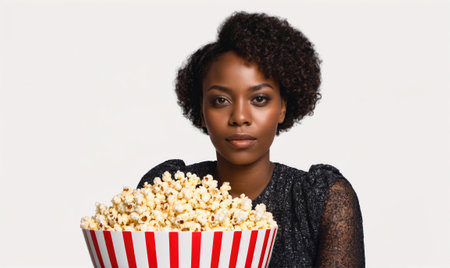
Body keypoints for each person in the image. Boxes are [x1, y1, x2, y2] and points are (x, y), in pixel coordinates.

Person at [137, 11, 365, 267]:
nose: (240, 117)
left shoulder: (323, 200)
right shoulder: (163, 193)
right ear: (201, 111)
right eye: (220, 101)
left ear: (282, 108)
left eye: (259, 99)